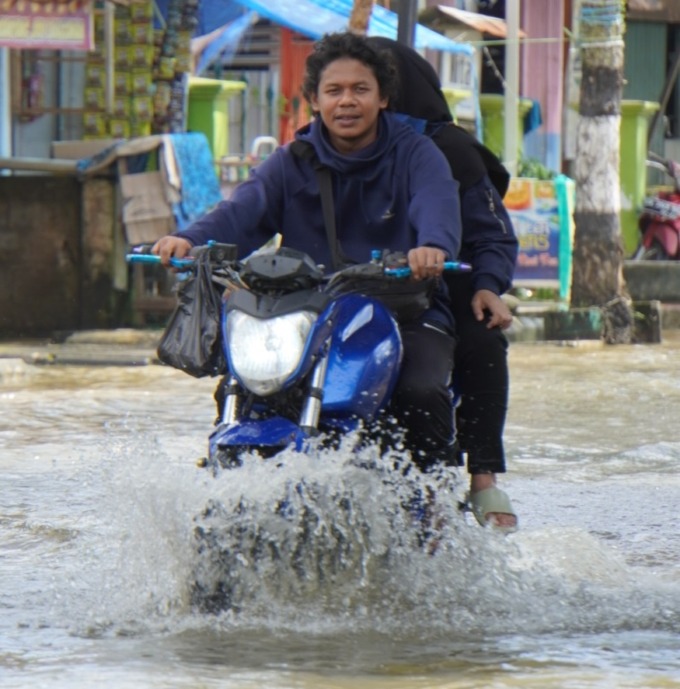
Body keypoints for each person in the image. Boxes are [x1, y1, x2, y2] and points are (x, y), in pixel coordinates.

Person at [153, 32, 462, 473]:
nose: (347, 102)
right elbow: (242, 211)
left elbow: (435, 204)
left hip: (402, 308)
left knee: (422, 388)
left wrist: (432, 248)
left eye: (360, 90)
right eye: (334, 91)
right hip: (304, 313)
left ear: (384, 98)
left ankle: (434, 497)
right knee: (240, 387)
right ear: (315, 100)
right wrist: (190, 239)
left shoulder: (417, 154)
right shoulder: (292, 159)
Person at [367, 37, 519, 531]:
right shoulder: (319, 147)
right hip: (355, 287)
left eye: (369, 87)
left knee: (482, 336)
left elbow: (492, 233)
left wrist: (490, 284)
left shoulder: (448, 150)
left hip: (449, 283)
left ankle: (482, 475)